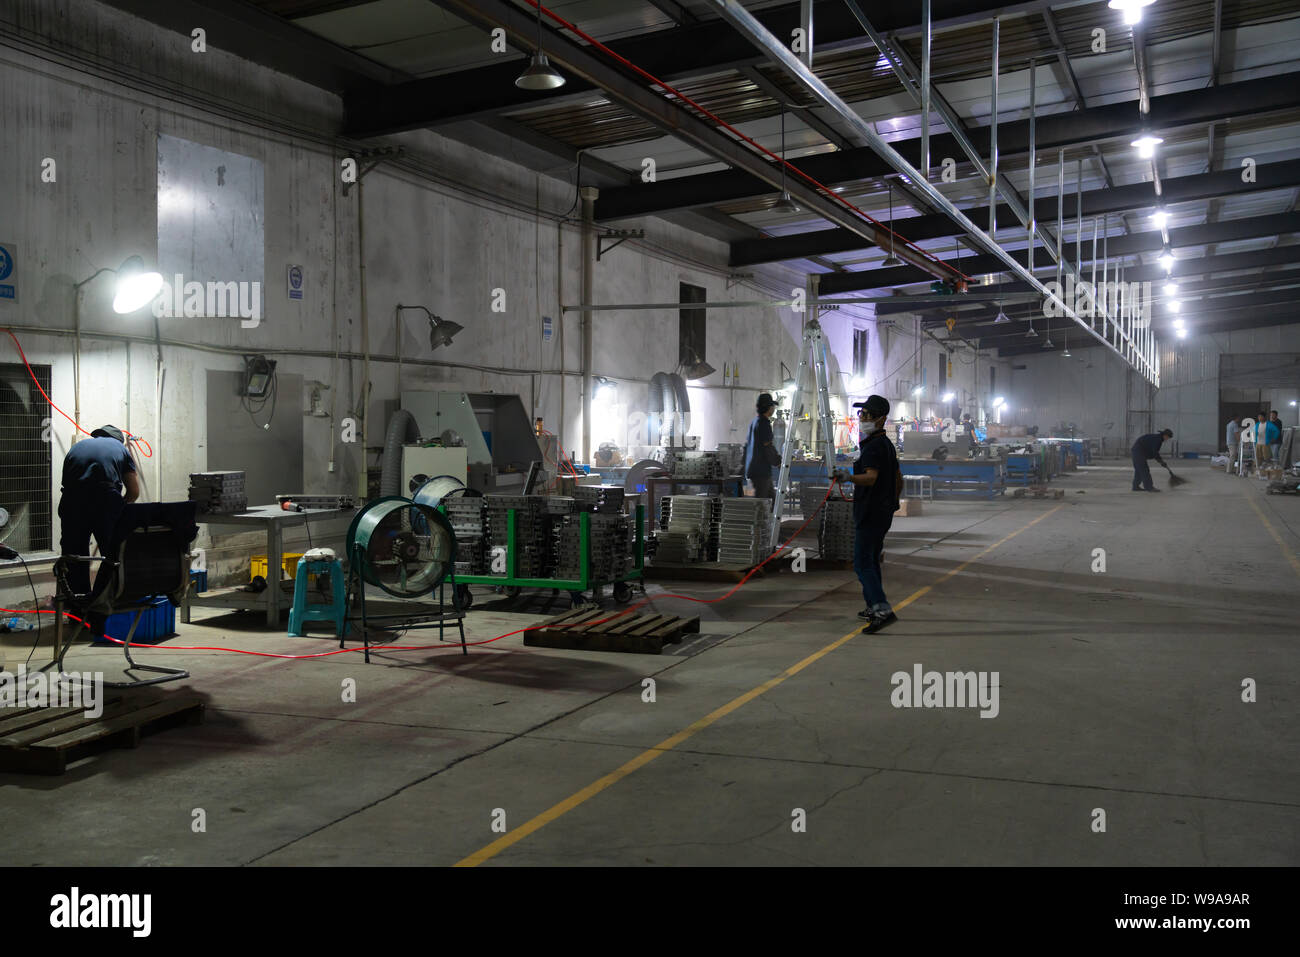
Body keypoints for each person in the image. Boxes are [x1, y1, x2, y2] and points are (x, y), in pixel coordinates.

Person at [832, 395, 902, 633]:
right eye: (862, 415)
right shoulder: (886, 445)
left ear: (882, 420)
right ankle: (873, 605)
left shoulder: (873, 446)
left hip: (871, 512)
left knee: (862, 562)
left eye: (868, 416)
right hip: (881, 511)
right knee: (871, 560)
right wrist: (893, 502)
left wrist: (848, 477)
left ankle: (882, 609)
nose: (863, 419)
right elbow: (897, 478)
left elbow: (871, 477)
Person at [59, 425, 139, 594]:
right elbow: (133, 491)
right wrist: (120, 510)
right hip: (104, 499)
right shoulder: (120, 449)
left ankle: (78, 603)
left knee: (74, 555)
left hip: (71, 500)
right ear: (119, 440)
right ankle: (107, 601)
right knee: (114, 555)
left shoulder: (78, 447)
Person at [744, 392, 780, 503]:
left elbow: (747, 445)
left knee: (771, 500)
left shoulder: (754, 422)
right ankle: (758, 520)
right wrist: (778, 461)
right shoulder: (764, 423)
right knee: (762, 503)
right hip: (761, 471)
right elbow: (767, 447)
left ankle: (769, 520)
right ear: (768, 407)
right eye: (772, 406)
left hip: (756, 469)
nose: (773, 408)